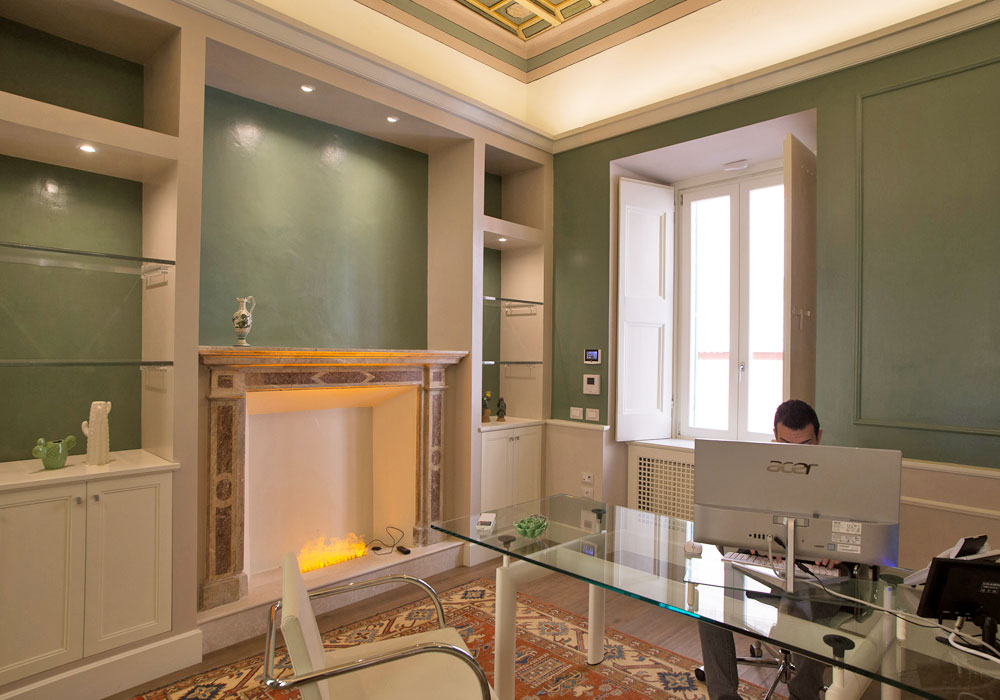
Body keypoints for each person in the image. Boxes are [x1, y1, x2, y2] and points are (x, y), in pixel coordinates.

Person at [698, 399, 828, 700]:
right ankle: (724, 696)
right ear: (774, 437)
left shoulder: (838, 479)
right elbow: (726, 533)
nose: (795, 457)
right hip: (764, 570)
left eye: (805, 446)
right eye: (785, 445)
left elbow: (858, 538)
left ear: (819, 437)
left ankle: (803, 695)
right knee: (709, 602)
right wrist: (751, 542)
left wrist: (839, 552)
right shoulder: (754, 474)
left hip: (815, 576)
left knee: (812, 607)